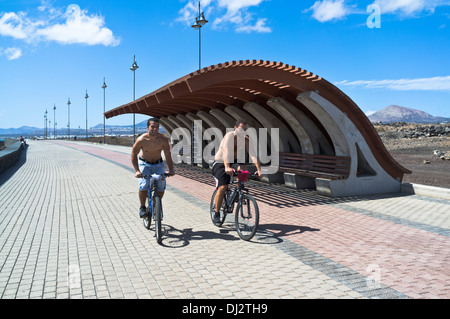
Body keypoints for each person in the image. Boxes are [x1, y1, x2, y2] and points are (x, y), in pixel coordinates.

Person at [211, 119, 263, 223]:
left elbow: (253, 154)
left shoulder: (246, 139)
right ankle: (216, 213)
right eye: (241, 129)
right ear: (235, 128)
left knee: (243, 168)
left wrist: (259, 170)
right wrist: (227, 167)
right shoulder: (229, 136)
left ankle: (238, 191)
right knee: (223, 187)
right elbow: (225, 151)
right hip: (220, 163)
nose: (243, 131)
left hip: (233, 162)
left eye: (245, 129)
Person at [131, 118, 175, 218]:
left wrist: (171, 170)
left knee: (161, 186)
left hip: (158, 164)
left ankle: (157, 204)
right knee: (144, 186)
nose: (155, 129)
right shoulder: (141, 140)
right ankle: (142, 207)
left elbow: (168, 155)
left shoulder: (163, 139)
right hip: (144, 164)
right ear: (147, 127)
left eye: (157, 127)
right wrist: (137, 170)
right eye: (152, 127)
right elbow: (133, 154)